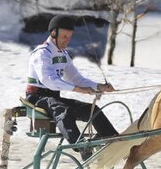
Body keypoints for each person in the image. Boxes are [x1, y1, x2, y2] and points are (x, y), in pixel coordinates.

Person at [26, 14, 118, 160]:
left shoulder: (64, 55)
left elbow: (76, 78)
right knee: (63, 110)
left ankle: (112, 138)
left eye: (70, 37)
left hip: (53, 97)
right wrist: (78, 89)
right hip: (37, 97)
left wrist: (99, 86)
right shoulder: (42, 53)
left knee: (91, 110)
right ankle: (81, 146)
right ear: (53, 33)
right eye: (64, 37)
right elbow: (49, 80)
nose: (68, 41)